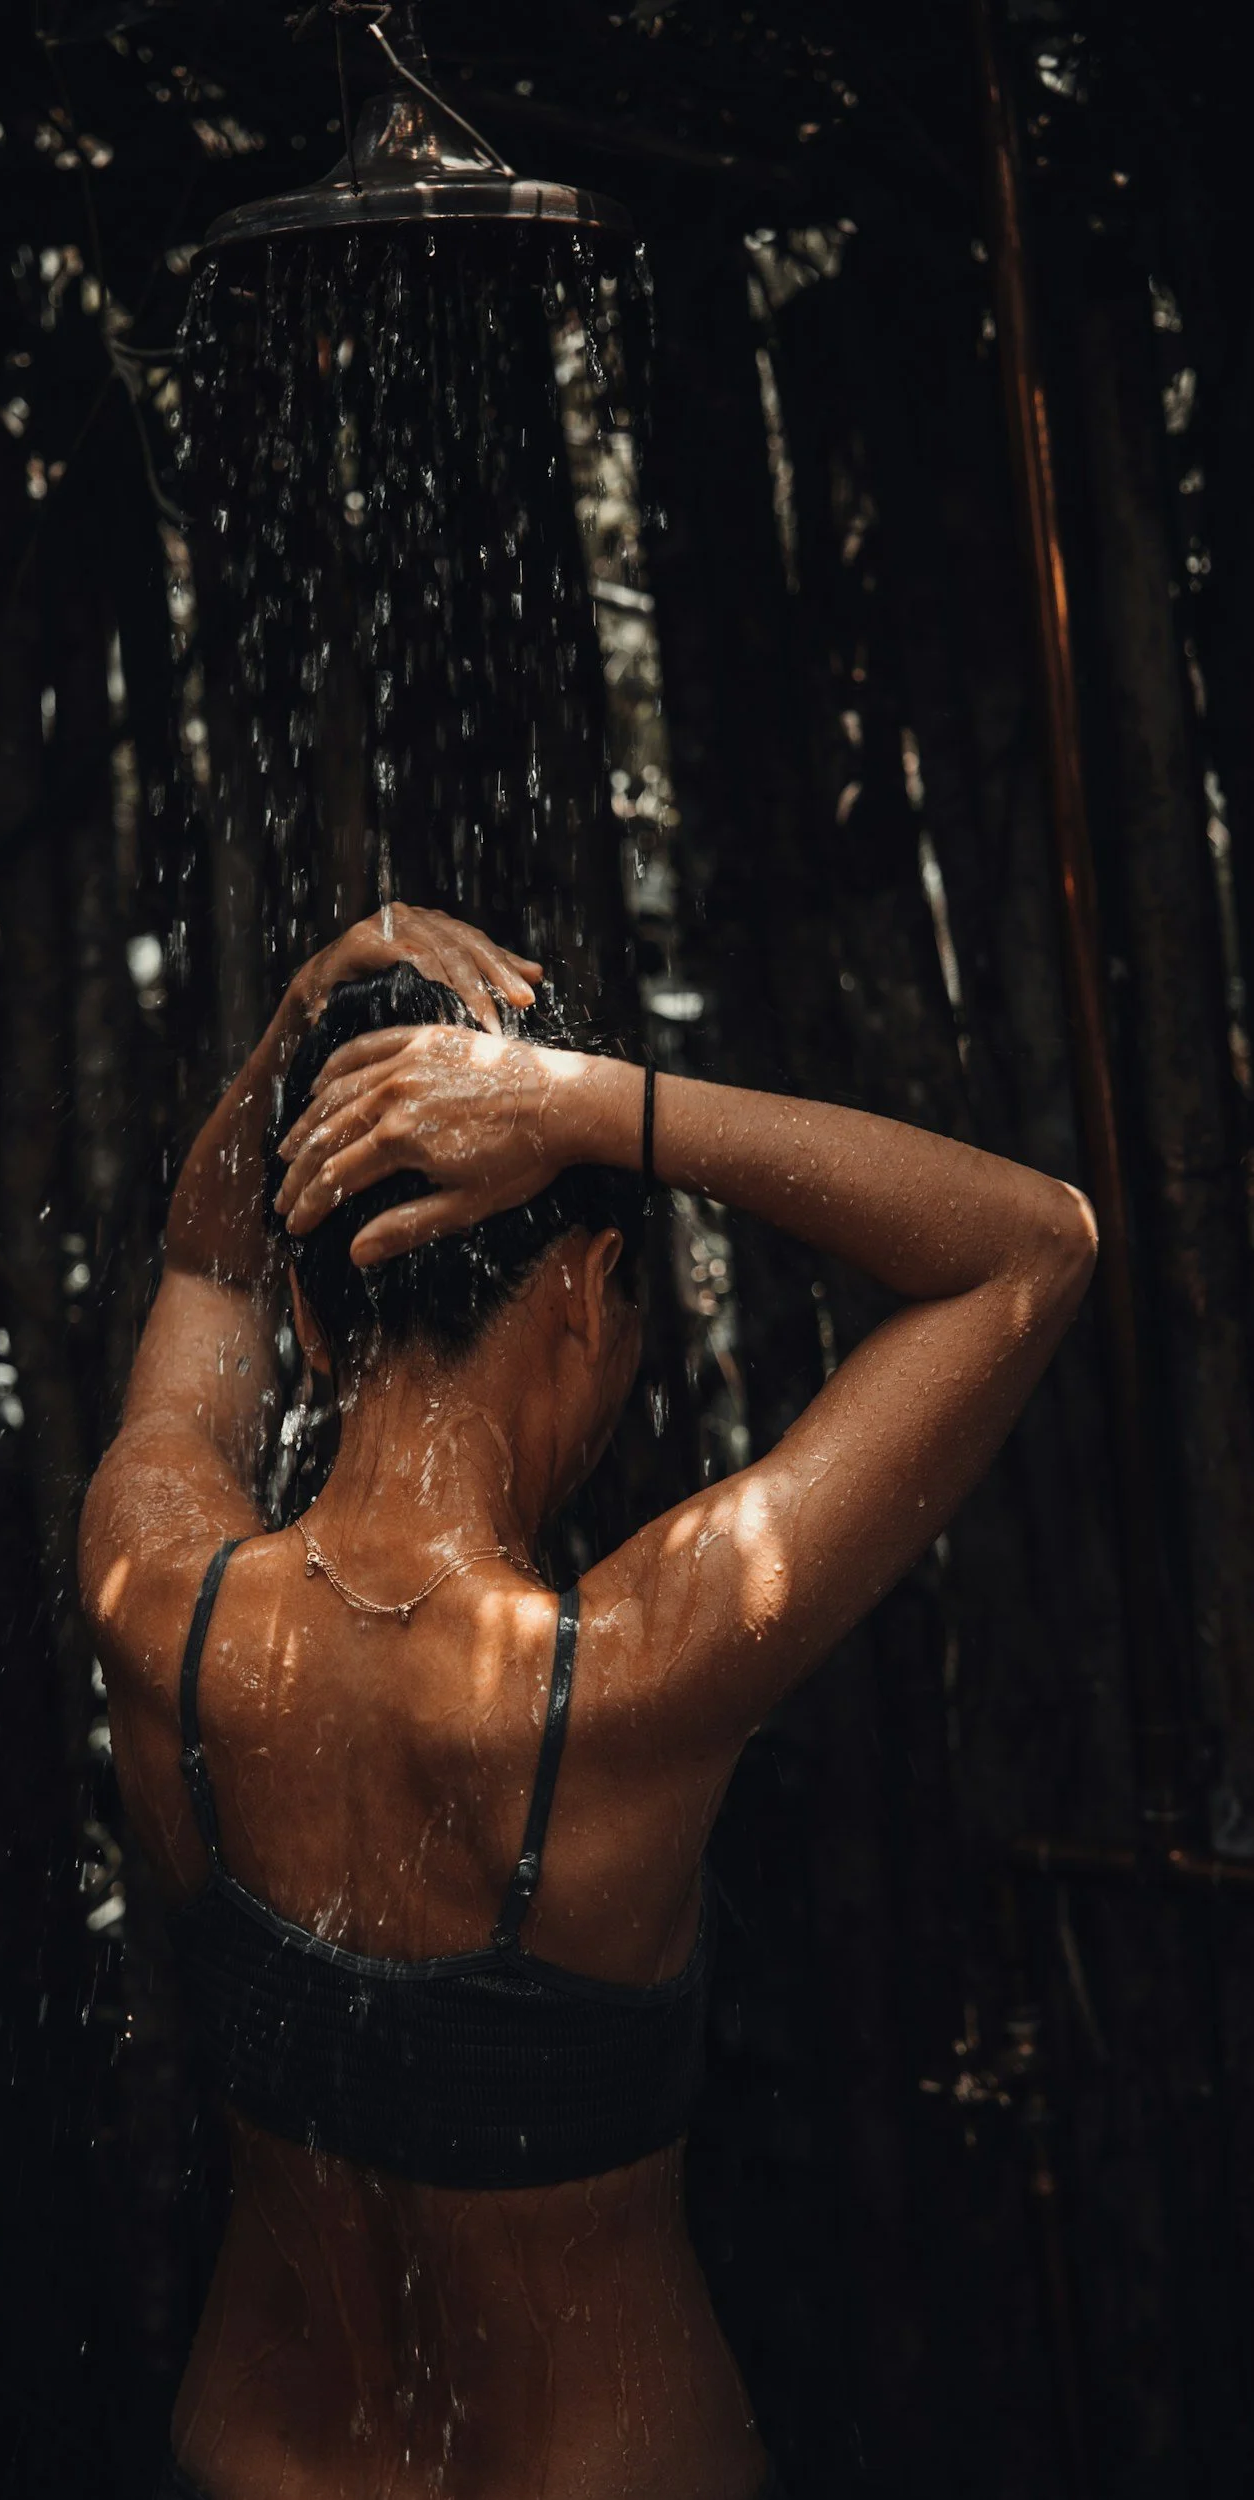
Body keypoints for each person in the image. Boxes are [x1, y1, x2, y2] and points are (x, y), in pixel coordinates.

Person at [80, 904, 1097, 2500]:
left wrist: (300, 1029)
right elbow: (1029, 1245)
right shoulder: (627, 1674)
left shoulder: (159, 1595)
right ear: (588, 1286)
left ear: (306, 1309)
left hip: (249, 2464)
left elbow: (205, 1251)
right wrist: (584, 1104)